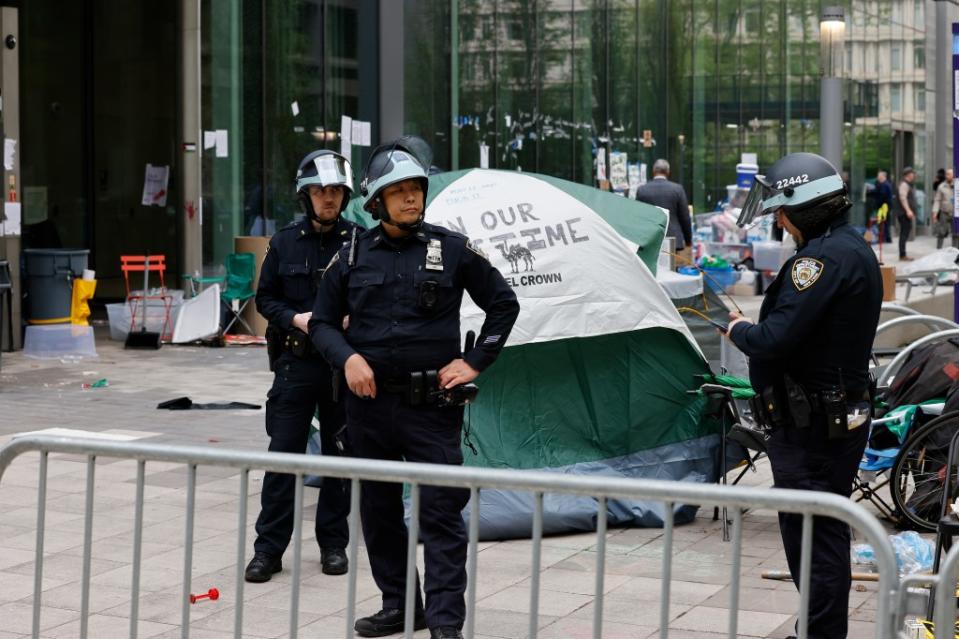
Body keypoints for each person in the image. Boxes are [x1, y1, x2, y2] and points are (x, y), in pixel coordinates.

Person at [310, 137, 519, 639]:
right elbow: (320, 323)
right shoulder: (351, 255)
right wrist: (349, 357)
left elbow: (503, 304)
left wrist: (475, 361)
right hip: (368, 408)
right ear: (376, 202)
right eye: (398, 191)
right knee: (380, 515)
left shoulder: (451, 249)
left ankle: (446, 625)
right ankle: (402, 607)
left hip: (431, 409)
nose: (410, 199)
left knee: (441, 516)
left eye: (416, 189)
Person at [727, 152, 882, 639]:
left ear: (803, 206)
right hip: (830, 415)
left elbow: (775, 338)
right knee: (820, 531)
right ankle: (818, 629)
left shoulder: (819, 261)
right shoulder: (849, 247)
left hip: (813, 424)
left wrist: (739, 331)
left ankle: (820, 634)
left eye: (780, 208)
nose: (777, 219)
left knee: (814, 538)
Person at [244, 150, 358, 583]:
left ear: (343, 196)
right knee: (283, 458)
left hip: (340, 367)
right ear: (305, 195)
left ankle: (333, 545)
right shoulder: (285, 242)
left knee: (339, 459)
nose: (327, 199)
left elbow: (374, 298)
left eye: (334, 191)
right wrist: (297, 318)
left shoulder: (359, 242)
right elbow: (265, 298)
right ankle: (268, 551)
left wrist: (352, 318)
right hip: (295, 364)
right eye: (319, 191)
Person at [635, 158, 692, 267]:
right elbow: (685, 217)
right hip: (673, 240)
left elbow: (638, 217)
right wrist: (688, 240)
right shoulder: (677, 189)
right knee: (671, 269)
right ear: (668, 172)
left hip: (650, 239)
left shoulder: (642, 190)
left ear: (653, 171)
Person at [892, 167, 918, 261]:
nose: (914, 175)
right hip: (903, 213)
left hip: (904, 213)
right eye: (912, 173)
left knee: (905, 232)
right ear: (908, 175)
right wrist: (908, 210)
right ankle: (902, 255)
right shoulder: (904, 184)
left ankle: (903, 254)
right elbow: (903, 198)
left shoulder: (907, 184)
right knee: (904, 233)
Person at [932, 168, 955, 249]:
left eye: (949, 174)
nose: (947, 176)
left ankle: (955, 251)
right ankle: (938, 250)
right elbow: (937, 200)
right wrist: (935, 212)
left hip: (955, 214)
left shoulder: (957, 185)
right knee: (941, 232)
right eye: (946, 174)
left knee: (956, 233)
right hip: (944, 213)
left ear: (953, 175)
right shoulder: (941, 186)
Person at [871, 170, 894, 244]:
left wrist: (877, 202)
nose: (877, 177)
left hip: (883, 207)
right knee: (885, 222)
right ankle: (886, 238)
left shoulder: (884, 185)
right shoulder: (885, 184)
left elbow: (882, 195)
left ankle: (884, 238)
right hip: (885, 206)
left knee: (882, 221)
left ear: (883, 176)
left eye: (879, 176)